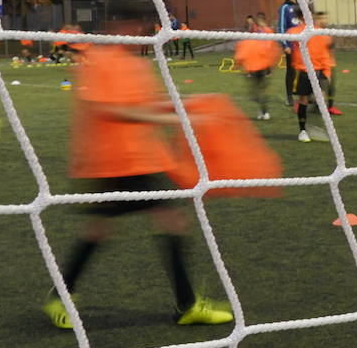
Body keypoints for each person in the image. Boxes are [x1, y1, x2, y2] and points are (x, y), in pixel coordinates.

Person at [42, 39, 233, 329]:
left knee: (157, 223)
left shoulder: (135, 63)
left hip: (140, 160)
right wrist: (170, 118)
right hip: (113, 162)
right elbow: (109, 109)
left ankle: (187, 305)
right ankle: (60, 297)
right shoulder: (102, 61)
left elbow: (143, 103)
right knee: (108, 228)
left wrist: (185, 107)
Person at [289, 11, 334, 141]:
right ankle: (303, 131)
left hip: (319, 71)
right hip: (303, 71)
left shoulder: (321, 33)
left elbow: (326, 54)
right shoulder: (296, 32)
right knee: (303, 100)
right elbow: (288, 37)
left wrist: (327, 71)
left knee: (320, 99)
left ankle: (316, 126)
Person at [236, 14, 281, 120]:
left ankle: (264, 111)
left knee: (260, 91)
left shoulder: (266, 33)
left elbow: (271, 50)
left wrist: (270, 67)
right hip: (254, 69)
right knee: (255, 93)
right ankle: (262, 109)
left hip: (262, 68)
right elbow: (243, 54)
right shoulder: (251, 39)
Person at [278, 0, 301, 106]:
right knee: (291, 71)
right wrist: (285, 45)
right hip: (291, 46)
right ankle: (289, 96)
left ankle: (305, 95)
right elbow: (281, 27)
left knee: (306, 71)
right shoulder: (285, 7)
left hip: (303, 46)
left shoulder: (302, 5)